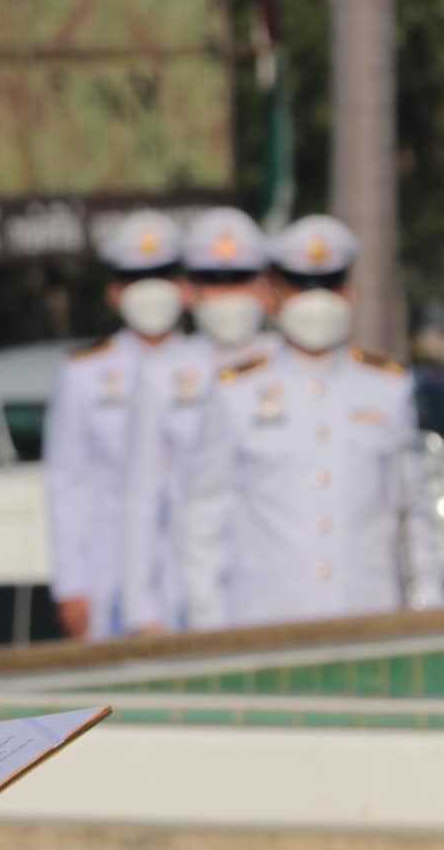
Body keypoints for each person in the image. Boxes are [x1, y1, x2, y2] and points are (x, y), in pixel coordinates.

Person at [179, 214, 443, 628]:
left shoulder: (388, 388)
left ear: (350, 293)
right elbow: (203, 519)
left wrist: (428, 611)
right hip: (264, 621)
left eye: (329, 284)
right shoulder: (236, 392)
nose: (316, 299)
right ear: (274, 294)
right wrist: (208, 626)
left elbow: (413, 515)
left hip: (369, 615)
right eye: (301, 285)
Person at [117, 207, 278, 634]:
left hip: (271, 585)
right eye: (213, 280)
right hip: (181, 592)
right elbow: (141, 496)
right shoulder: (162, 374)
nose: (227, 294)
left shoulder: (285, 368)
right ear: (190, 290)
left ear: (264, 288)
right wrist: (141, 608)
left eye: (239, 279)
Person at [42, 210, 186, 640]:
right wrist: (72, 586)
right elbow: (66, 482)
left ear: (184, 287)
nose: (151, 290)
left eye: (162, 275)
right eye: (136, 278)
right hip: (110, 568)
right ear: (114, 292)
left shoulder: (210, 368)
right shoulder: (85, 373)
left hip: (194, 568)